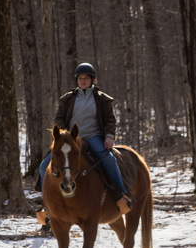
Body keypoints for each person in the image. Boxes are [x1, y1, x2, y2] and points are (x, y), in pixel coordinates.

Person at [36, 62, 132, 216]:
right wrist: (63, 135)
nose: (82, 81)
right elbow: (59, 118)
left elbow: (110, 120)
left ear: (92, 79)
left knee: (109, 160)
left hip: (93, 136)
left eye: (86, 78)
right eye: (80, 78)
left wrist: (108, 137)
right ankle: (46, 206)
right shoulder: (67, 99)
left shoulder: (102, 99)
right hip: (70, 139)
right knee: (43, 167)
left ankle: (121, 196)